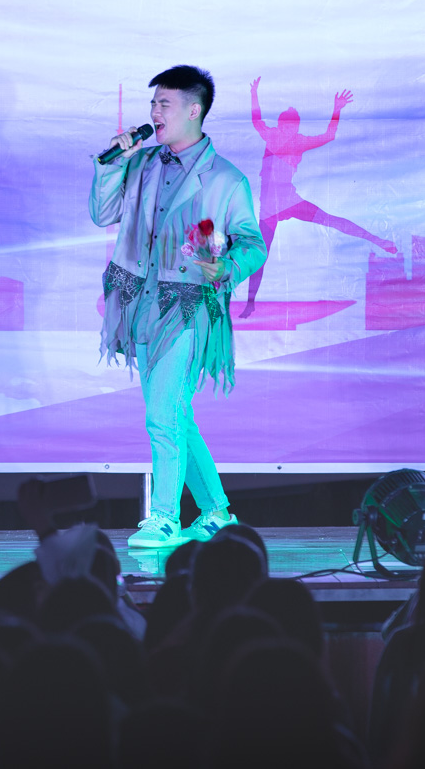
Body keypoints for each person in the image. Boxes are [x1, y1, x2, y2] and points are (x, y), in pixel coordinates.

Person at [91, 66, 267, 548]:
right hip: (142, 303)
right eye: (152, 104)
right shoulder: (142, 163)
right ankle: (217, 512)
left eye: (163, 104)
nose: (154, 113)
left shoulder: (226, 178)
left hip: (189, 308)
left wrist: (226, 266)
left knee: (163, 414)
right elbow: (102, 214)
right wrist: (110, 165)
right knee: (174, 415)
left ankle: (165, 517)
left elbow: (253, 243)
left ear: (194, 110)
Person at [240, 77, 395, 317]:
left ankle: (377, 240)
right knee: (260, 255)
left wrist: (336, 110)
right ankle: (250, 303)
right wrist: (253, 95)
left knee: (332, 220)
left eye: (293, 128)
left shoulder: (299, 141)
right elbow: (256, 120)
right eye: (287, 127)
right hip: (269, 208)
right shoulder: (272, 136)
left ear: (297, 128)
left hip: (290, 201)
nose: (290, 131)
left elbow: (328, 136)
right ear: (281, 126)